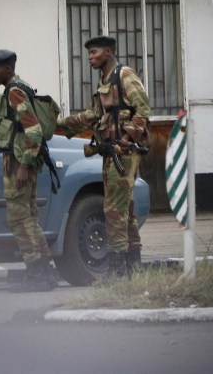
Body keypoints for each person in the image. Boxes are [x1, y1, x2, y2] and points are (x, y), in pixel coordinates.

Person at [57, 36, 151, 278]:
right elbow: (93, 115)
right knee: (126, 210)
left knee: (113, 210)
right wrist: (61, 125)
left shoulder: (125, 75)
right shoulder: (105, 81)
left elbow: (143, 109)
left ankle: (117, 269)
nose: (90, 57)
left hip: (123, 152)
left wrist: (127, 139)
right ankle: (133, 266)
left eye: (94, 52)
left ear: (108, 52)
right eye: (88, 53)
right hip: (110, 151)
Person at [0, 49, 56, 292]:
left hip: (20, 163)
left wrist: (24, 165)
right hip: (19, 159)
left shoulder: (14, 92)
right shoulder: (17, 88)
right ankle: (45, 273)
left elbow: (33, 130)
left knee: (19, 219)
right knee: (30, 219)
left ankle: (36, 275)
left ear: (8, 68)